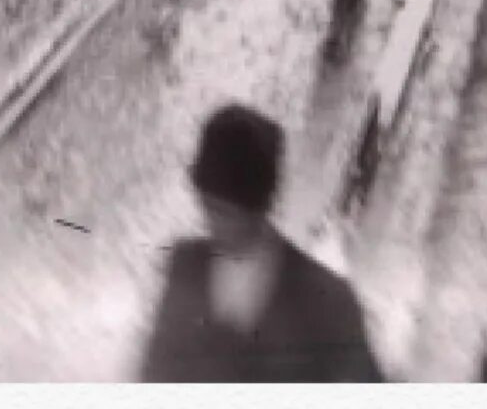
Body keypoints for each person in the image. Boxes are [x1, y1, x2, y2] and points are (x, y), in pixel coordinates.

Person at [140, 102, 382, 381]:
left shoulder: (328, 300)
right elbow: (154, 373)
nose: (212, 223)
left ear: (261, 208)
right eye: (207, 205)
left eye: (227, 213)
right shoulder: (184, 266)